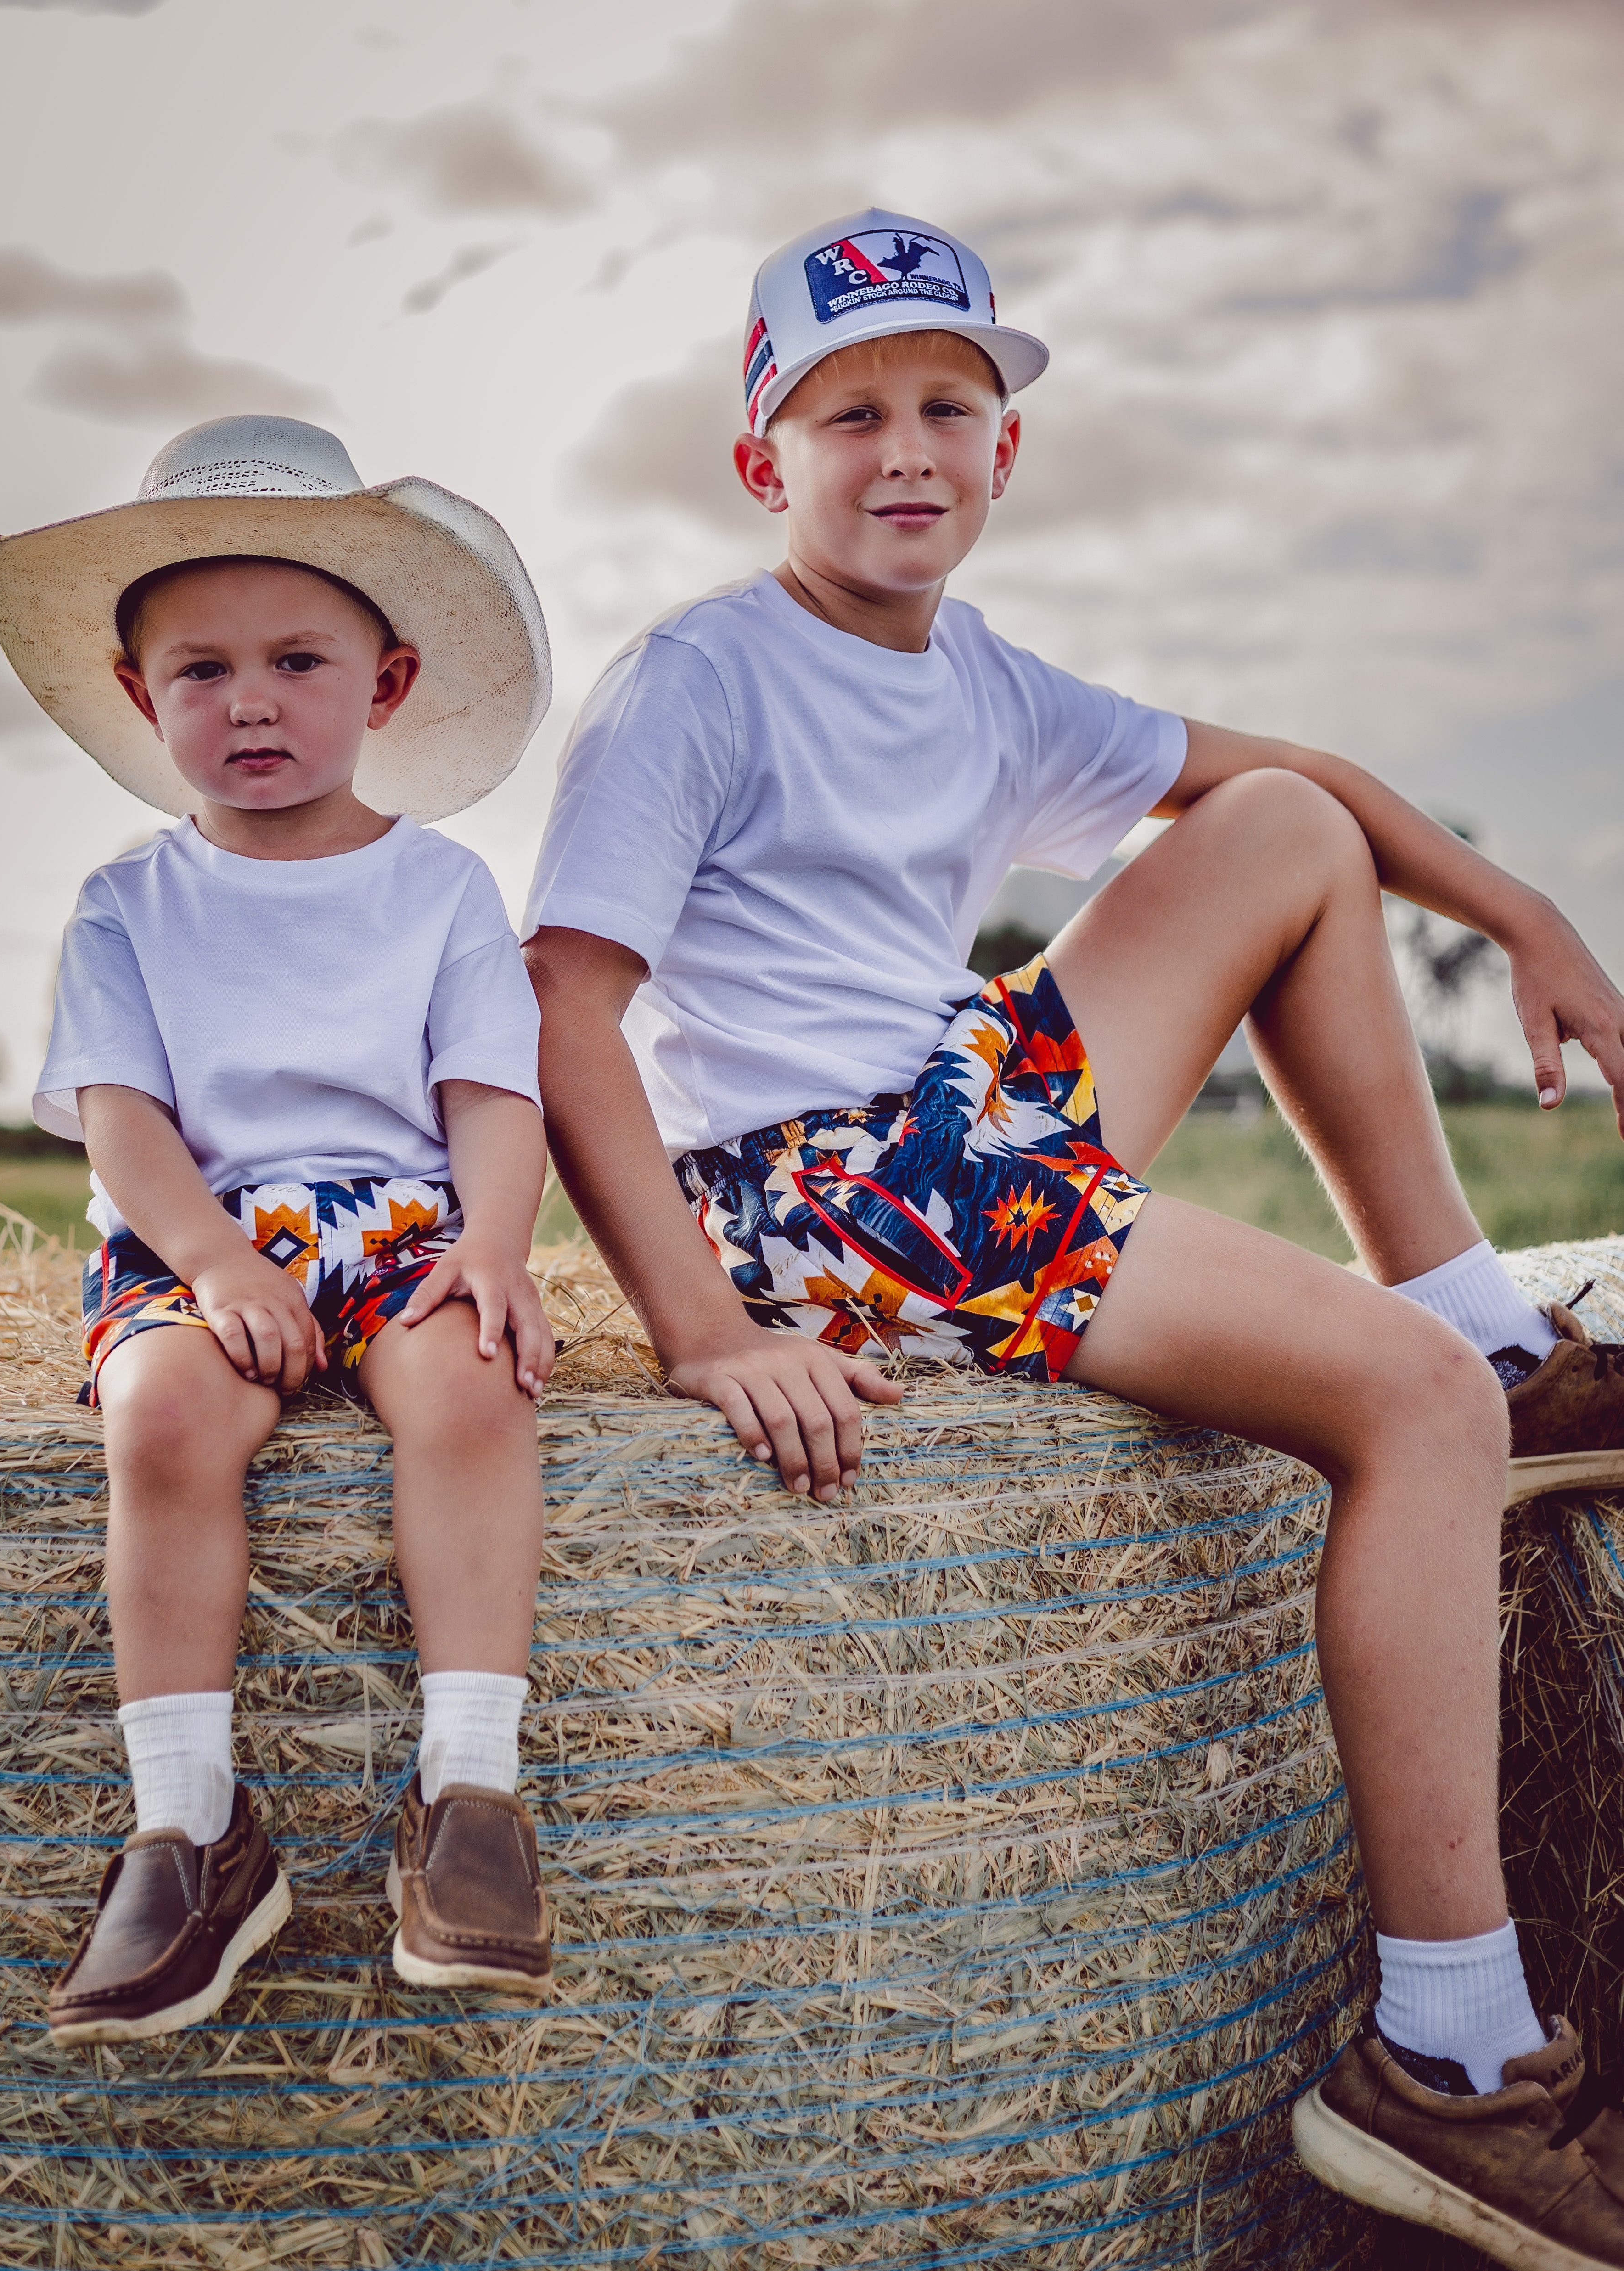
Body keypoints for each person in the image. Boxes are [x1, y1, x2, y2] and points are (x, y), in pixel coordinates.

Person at [522, 211, 1624, 2262]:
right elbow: (565, 1008)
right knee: (1397, 1417)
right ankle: (1456, 2064)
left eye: (951, 402)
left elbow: (1307, 778)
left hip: (952, 1100)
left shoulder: (983, 678)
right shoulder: (695, 677)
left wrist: (1527, 917)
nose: (907, 445)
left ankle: (1479, 1315)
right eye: (848, 410)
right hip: (834, 1180)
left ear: (1009, 453)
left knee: (1283, 827)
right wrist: (691, 1327)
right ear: (764, 458)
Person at [0, 415, 558, 2041]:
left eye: (297, 659)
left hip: (403, 1227)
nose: (249, 700)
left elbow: (493, 1099)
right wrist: (217, 1266)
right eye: (200, 670)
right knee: (162, 1416)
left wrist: (497, 1250)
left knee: (469, 1390)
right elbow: (121, 1118)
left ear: (383, 685)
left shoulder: (442, 888)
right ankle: (187, 1826)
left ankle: (470, 1800)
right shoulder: (128, 904)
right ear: (135, 694)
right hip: (195, 1231)